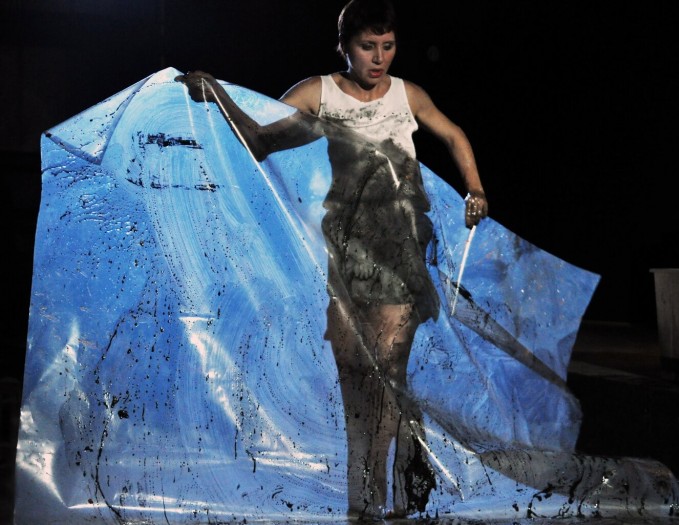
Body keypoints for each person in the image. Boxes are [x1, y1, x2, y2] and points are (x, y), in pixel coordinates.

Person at [176, 0, 488, 519]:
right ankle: (374, 483)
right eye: (368, 46)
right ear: (344, 46)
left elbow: (453, 134)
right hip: (347, 248)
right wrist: (219, 96)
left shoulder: (406, 94)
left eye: (388, 46)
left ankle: (377, 496)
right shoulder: (318, 92)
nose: (379, 58)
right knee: (355, 378)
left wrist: (475, 188)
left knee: (386, 373)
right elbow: (259, 140)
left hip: (399, 245)